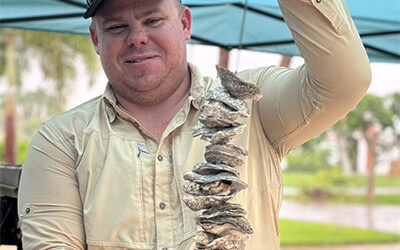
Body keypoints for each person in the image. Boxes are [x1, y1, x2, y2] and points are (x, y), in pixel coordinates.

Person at [17, 0, 371, 249]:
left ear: (184, 24)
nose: (137, 37)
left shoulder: (251, 100)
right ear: (97, 40)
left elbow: (344, 82)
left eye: (153, 20)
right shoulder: (61, 140)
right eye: (116, 26)